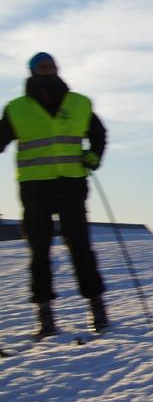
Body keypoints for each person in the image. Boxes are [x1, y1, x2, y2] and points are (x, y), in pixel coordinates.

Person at [0, 52, 108, 338]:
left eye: (51, 67)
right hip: (35, 188)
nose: (47, 71)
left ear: (57, 69)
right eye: (42, 67)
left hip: (72, 185)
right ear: (33, 72)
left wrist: (93, 157)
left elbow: (98, 134)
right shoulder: (16, 108)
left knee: (81, 249)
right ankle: (45, 318)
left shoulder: (79, 103)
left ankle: (97, 310)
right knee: (39, 253)